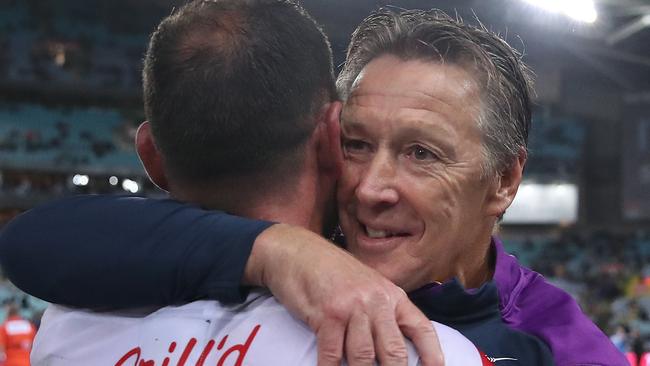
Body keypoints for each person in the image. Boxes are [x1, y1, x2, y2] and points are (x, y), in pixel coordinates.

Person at [0, 5, 623, 366]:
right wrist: (277, 251)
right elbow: (42, 240)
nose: (372, 187)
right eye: (357, 144)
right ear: (328, 140)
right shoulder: (301, 238)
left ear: (503, 179)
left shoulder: (559, 347)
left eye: (421, 153)